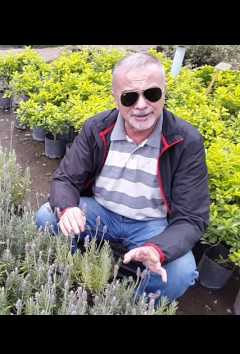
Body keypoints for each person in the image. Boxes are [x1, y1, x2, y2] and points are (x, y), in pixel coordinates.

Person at [35, 52, 210, 302]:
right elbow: (65, 179)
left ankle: (133, 305)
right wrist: (68, 208)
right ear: (116, 99)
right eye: (129, 97)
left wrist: (157, 249)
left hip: (151, 225)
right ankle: (75, 279)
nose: (141, 105)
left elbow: (192, 218)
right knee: (47, 216)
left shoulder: (185, 140)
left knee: (181, 271)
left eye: (151, 94)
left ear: (164, 92)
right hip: (101, 212)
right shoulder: (97, 128)